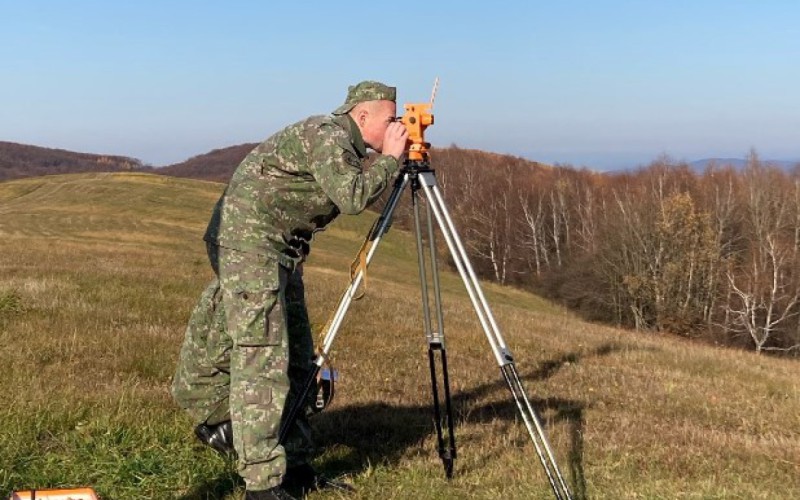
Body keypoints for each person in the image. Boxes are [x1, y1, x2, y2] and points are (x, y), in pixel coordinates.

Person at [171, 81, 408, 500]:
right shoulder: (327, 136)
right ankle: (260, 483)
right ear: (363, 115)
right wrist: (391, 161)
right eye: (391, 119)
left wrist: (387, 159)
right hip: (247, 242)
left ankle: (295, 465)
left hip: (280, 249)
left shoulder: (345, 145)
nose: (398, 126)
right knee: (262, 356)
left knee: (298, 357)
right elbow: (352, 196)